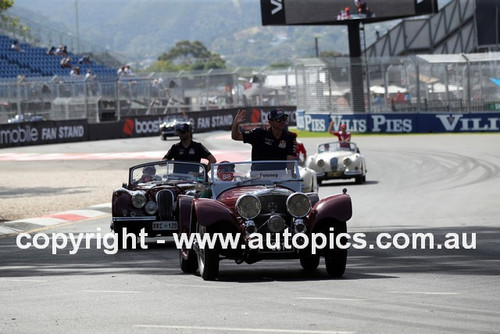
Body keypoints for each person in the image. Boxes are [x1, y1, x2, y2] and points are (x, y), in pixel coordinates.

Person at [231, 108, 297, 162]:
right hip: (258, 175)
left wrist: (290, 176)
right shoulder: (258, 133)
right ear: (270, 122)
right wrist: (236, 123)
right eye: (278, 120)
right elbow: (235, 136)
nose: (282, 122)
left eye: (284, 119)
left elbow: (290, 161)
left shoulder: (290, 137)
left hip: (280, 175)